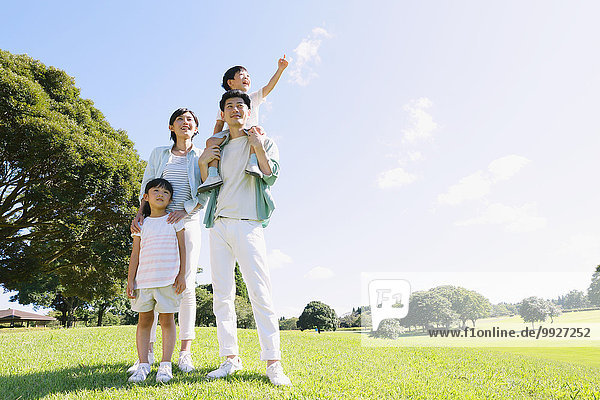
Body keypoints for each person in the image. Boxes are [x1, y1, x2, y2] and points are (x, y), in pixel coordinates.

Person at [198, 90, 291, 386]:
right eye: (229, 106)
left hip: (249, 224)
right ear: (222, 114)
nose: (235, 109)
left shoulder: (262, 140)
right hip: (219, 224)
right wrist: (203, 161)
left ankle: (273, 362)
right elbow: (205, 184)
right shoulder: (216, 145)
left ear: (248, 112)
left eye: (240, 105)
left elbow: (270, 174)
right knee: (222, 295)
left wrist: (257, 146)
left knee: (260, 293)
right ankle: (230, 358)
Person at [128, 108, 207, 374]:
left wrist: (185, 211)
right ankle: (146, 354)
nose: (185, 123)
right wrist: (140, 214)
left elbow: (207, 190)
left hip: (187, 221)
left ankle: (184, 352)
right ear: (171, 127)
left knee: (184, 283)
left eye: (190, 121)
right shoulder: (158, 153)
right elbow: (145, 185)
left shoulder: (200, 155)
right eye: (180, 120)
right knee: (150, 280)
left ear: (196, 128)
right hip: (155, 221)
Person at [198, 56, 288, 192]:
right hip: (231, 134)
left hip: (249, 133)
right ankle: (212, 174)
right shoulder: (225, 104)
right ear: (230, 82)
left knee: (256, 130)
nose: (247, 78)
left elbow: (269, 87)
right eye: (242, 75)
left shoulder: (252, 98)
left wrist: (280, 70)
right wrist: (214, 141)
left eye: (248, 76)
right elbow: (218, 126)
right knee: (211, 141)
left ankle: (252, 162)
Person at [127, 178, 186, 383]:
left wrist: (181, 275)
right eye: (156, 190)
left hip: (168, 281)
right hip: (144, 281)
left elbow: (182, 249)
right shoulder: (140, 225)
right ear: (146, 197)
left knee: (167, 321)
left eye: (166, 192)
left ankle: (165, 365)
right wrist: (130, 280)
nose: (160, 194)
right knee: (144, 322)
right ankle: (143, 365)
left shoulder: (175, 221)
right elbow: (135, 255)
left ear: (170, 200)